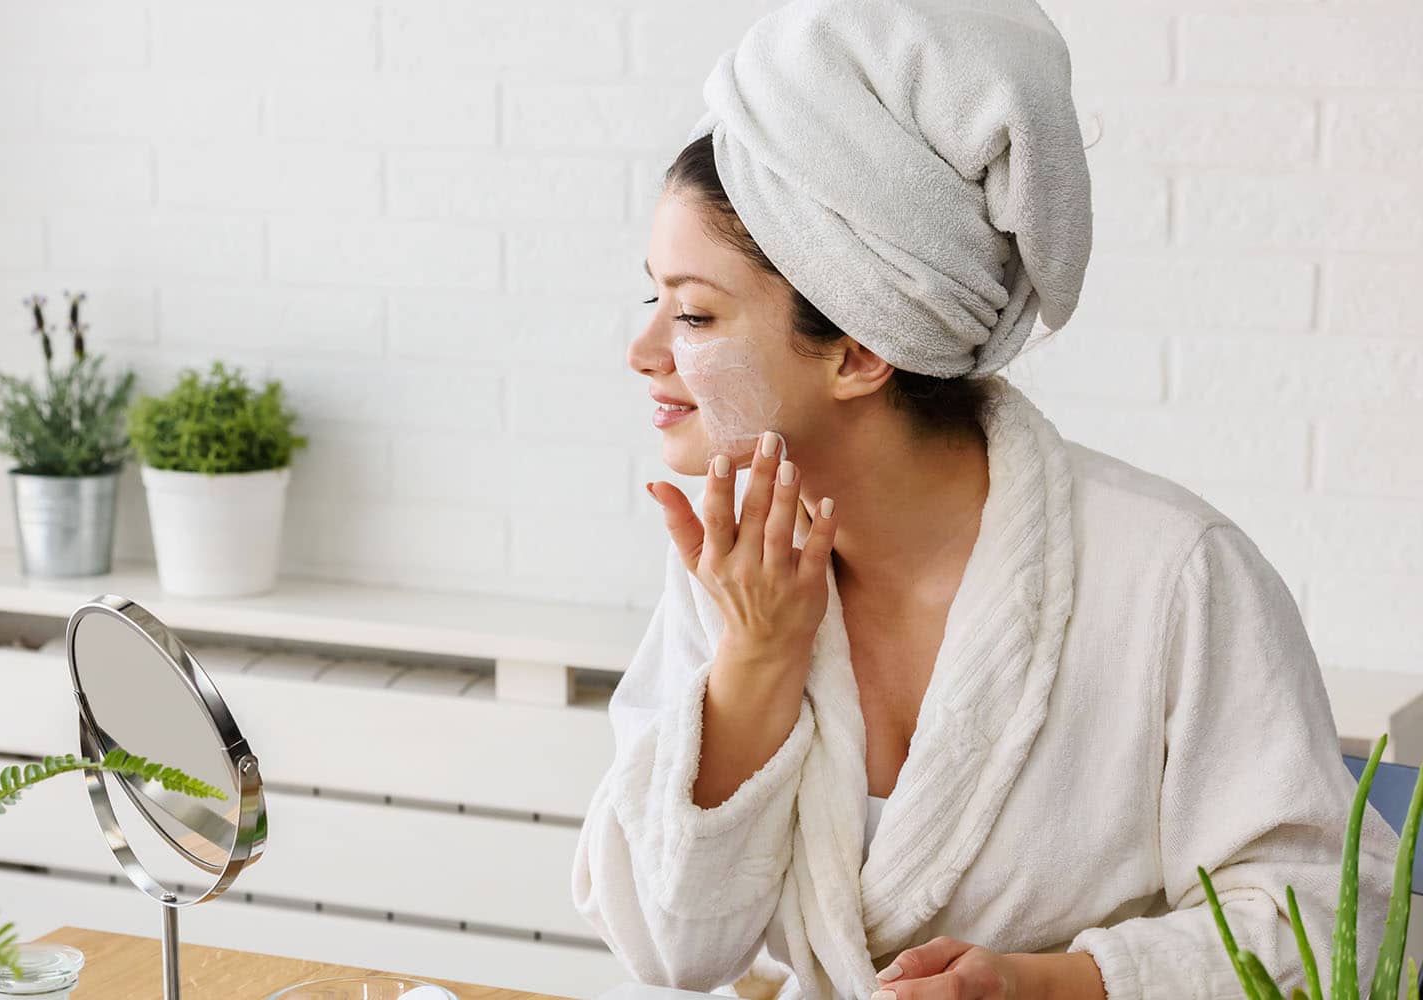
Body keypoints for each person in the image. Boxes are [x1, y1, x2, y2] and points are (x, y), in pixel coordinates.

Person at [571, 0, 1397, 997]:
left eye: (695, 311)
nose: (644, 350)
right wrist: (756, 656)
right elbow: (673, 951)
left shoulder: (1173, 576)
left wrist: (1055, 984)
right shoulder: (741, 564)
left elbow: (1328, 924)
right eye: (651, 296)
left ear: (860, 348)